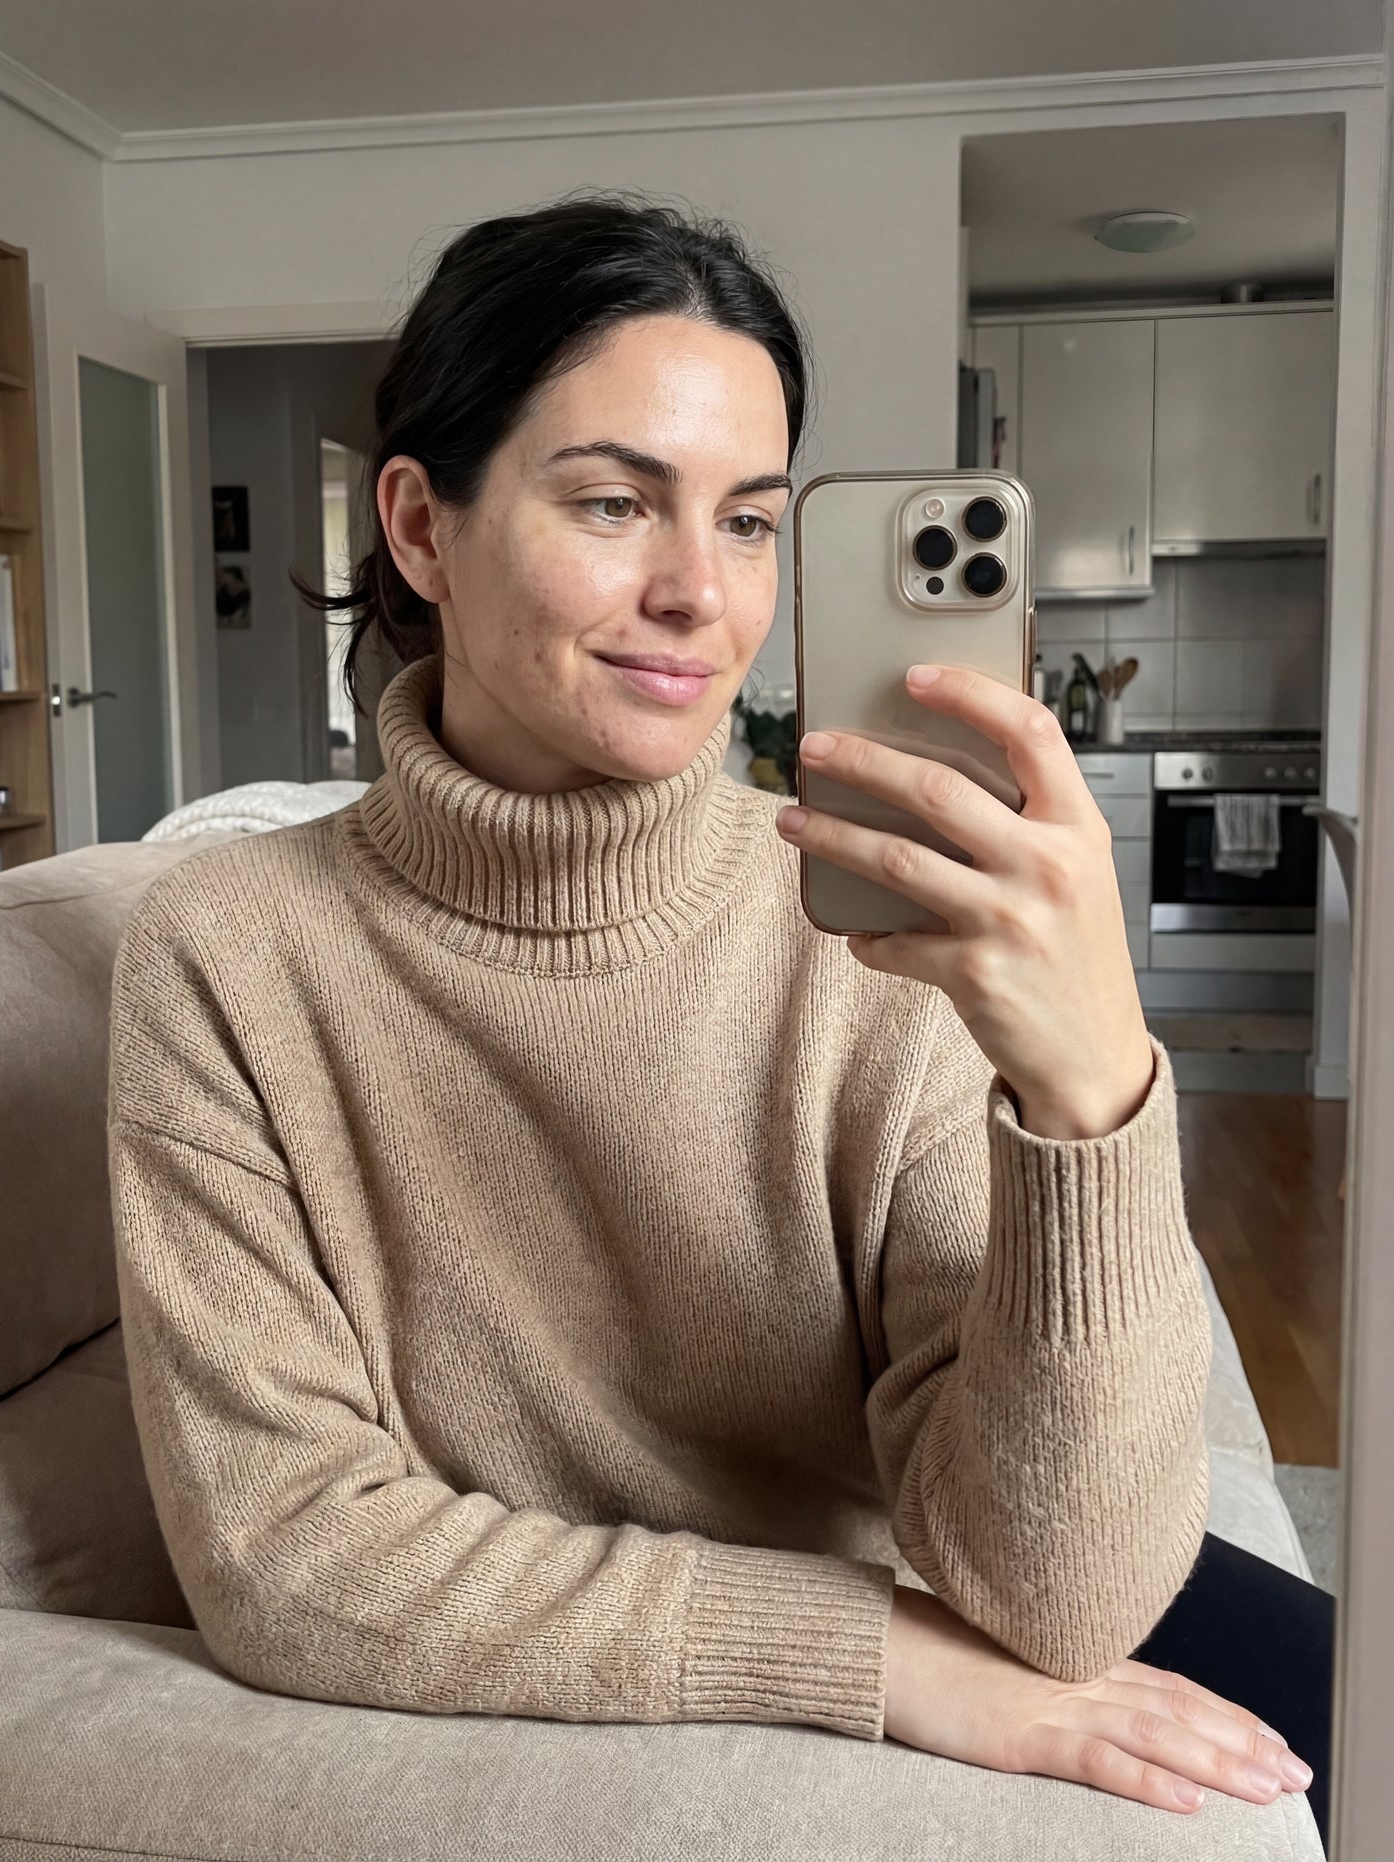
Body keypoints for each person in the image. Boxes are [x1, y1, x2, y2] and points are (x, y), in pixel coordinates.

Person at [107, 190, 1328, 1843]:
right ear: (418, 528)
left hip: (954, 1576)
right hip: (817, 1651)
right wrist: (871, 1654)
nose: (701, 590)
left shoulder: (873, 930)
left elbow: (1063, 1600)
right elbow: (286, 1555)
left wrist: (1092, 1091)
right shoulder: (225, 955)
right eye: (615, 502)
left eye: (751, 521)